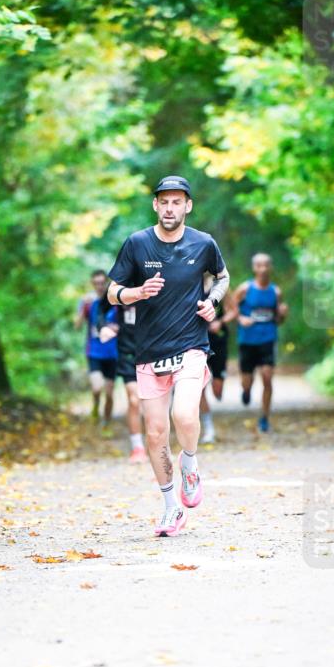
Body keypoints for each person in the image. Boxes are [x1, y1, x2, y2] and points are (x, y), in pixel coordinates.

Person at [107, 175, 230, 537]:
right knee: (156, 432)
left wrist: (212, 302)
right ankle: (171, 507)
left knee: (184, 414)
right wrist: (136, 293)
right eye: (165, 201)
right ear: (156, 205)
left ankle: (189, 465)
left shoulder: (203, 243)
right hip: (149, 352)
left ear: (188, 206)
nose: (170, 207)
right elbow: (112, 292)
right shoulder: (137, 244)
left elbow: (221, 278)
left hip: (191, 345)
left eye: (178, 202)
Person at [234, 253, 288, 433]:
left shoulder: (276, 291)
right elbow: (231, 308)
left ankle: (264, 417)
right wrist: (241, 318)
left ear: (270, 267)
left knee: (267, 378)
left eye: (266, 265)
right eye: (259, 265)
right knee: (247, 380)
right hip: (248, 340)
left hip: (267, 338)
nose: (262, 269)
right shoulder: (245, 289)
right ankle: (247, 391)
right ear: (254, 268)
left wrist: (282, 314)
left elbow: (279, 320)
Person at [98, 299, 148, 464]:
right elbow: (101, 309)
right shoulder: (120, 284)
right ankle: (138, 447)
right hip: (128, 354)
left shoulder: (156, 280)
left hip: (154, 353)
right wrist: (105, 326)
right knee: (134, 400)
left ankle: (157, 444)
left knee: (152, 404)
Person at [74, 270, 117, 427]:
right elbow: (77, 326)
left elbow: (124, 323)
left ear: (106, 283)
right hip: (94, 352)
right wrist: (82, 308)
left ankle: (106, 423)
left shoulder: (114, 301)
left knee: (110, 393)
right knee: (97, 388)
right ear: (92, 284)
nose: (99, 286)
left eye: (101, 283)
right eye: (96, 283)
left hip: (113, 353)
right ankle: (95, 406)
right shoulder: (88, 302)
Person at [199, 288, 238, 444]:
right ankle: (209, 429)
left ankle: (219, 383)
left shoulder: (220, 287)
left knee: (217, 390)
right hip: (197, 341)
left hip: (219, 340)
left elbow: (234, 311)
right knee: (199, 388)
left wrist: (220, 322)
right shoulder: (190, 282)